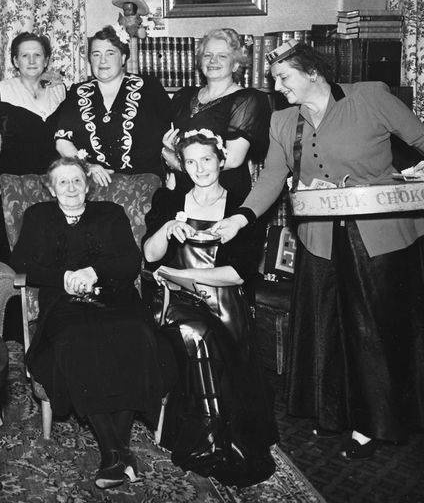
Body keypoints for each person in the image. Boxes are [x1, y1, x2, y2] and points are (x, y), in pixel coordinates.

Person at [211, 40, 424, 460]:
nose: (277, 87)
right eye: (274, 79)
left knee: (372, 332)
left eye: (283, 78)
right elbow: (272, 178)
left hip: (379, 237)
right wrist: (240, 218)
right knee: (328, 330)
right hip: (320, 240)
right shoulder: (283, 121)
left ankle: (374, 423)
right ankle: (335, 413)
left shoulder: (370, 98)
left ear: (313, 73)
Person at [9, 157, 176, 489]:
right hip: (64, 301)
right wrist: (63, 277)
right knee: (78, 339)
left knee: (135, 334)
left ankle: (113, 455)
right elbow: (20, 261)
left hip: (116, 297)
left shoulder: (111, 213)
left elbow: (131, 260)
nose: (71, 187)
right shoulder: (38, 216)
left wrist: (94, 271)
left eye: (77, 180)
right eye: (62, 181)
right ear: (51, 188)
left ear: (88, 185)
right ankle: (117, 452)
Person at [142, 128, 278, 488]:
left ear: (221, 160)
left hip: (223, 302)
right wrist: (167, 229)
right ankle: (209, 442)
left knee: (225, 344)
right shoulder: (169, 200)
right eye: (191, 162)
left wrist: (184, 274)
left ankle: (226, 436)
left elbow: (239, 274)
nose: (200, 168)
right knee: (198, 333)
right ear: (182, 165)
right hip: (174, 301)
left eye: (206, 159)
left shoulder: (241, 207)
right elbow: (150, 257)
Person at [55, 25, 172, 187]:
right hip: (94, 187)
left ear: (123, 58)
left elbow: (171, 136)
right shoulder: (78, 92)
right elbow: (62, 141)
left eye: (110, 53)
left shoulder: (149, 87)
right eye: (96, 54)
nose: (103, 60)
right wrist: (87, 167)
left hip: (144, 187)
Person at [162, 28, 270, 198]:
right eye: (207, 55)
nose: (213, 60)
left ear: (235, 65)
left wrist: (179, 164)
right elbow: (173, 150)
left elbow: (233, 160)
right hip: (184, 191)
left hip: (224, 195)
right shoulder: (183, 96)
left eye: (222, 56)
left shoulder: (247, 99)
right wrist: (169, 195)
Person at [0, 32, 65, 176]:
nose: (31, 61)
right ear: (16, 61)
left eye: (37, 55)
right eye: (25, 55)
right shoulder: (2, 91)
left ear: (46, 61)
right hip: (15, 180)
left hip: (56, 179)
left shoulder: (60, 90)